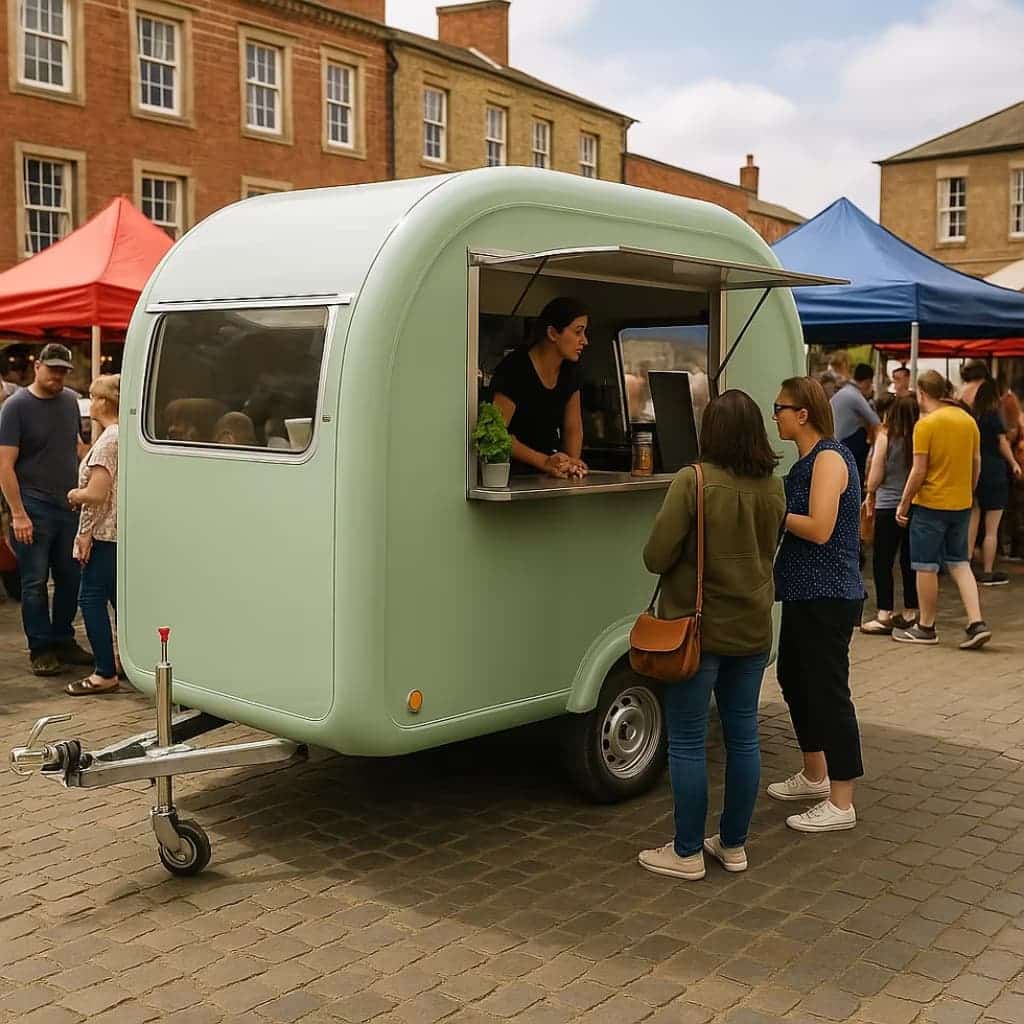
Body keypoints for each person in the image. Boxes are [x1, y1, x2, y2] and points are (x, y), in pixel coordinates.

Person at [637, 391, 785, 880]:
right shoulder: (774, 487)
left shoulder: (693, 481)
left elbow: (655, 557)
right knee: (744, 737)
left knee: (687, 740)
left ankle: (685, 853)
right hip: (753, 628)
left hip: (696, 632)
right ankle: (735, 845)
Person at [770, 377, 864, 833]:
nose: (775, 416)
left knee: (828, 691)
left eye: (779, 407)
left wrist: (772, 511)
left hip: (829, 593)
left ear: (802, 414)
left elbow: (820, 528)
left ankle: (841, 799)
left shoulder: (828, 458)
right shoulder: (808, 459)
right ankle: (814, 773)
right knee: (793, 675)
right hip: (806, 590)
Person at [0, 343, 93, 676]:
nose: (57, 376)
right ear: (36, 366)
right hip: (33, 507)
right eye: (52, 368)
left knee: (70, 577)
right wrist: (18, 513)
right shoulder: (16, 407)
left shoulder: (70, 401)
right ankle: (40, 647)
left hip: (67, 503)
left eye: (63, 370)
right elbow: (4, 465)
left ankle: (63, 639)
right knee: (34, 581)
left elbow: (77, 447)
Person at [893, 371, 989, 649]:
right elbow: (976, 462)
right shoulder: (968, 420)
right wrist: (968, 491)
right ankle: (976, 622)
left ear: (923, 393)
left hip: (930, 505)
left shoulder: (926, 425)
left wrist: (905, 501)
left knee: (926, 565)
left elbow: (919, 470)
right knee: (960, 563)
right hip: (961, 503)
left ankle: (926, 626)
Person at [491, 297, 589, 479]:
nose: (584, 341)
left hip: (549, 474)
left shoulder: (571, 370)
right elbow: (497, 433)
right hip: (510, 475)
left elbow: (572, 426)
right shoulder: (514, 369)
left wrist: (571, 463)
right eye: (578, 332)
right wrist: (544, 462)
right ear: (552, 333)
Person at [66, 375, 120, 695]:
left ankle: (104, 671)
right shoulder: (119, 436)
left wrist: (75, 494)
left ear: (103, 402)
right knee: (117, 600)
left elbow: (97, 494)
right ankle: (124, 659)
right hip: (116, 532)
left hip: (103, 532)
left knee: (90, 599)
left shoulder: (110, 439)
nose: (90, 402)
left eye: (93, 396)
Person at [861, 396, 920, 634]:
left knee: (882, 561)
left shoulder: (886, 436)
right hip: (914, 504)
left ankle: (884, 613)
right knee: (909, 560)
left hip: (887, 505)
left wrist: (870, 492)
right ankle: (910, 611)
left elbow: (876, 472)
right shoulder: (920, 437)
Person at [967, 379, 1022, 586]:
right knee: (992, 528)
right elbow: (1002, 442)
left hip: (974, 470)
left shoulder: (972, 416)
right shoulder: (994, 416)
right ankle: (988, 571)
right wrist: (1014, 463)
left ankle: (965, 566)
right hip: (994, 471)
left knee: (972, 519)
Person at [831, 363, 880, 491]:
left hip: (834, 441)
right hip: (846, 444)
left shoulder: (843, 392)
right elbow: (875, 421)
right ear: (868, 381)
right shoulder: (854, 396)